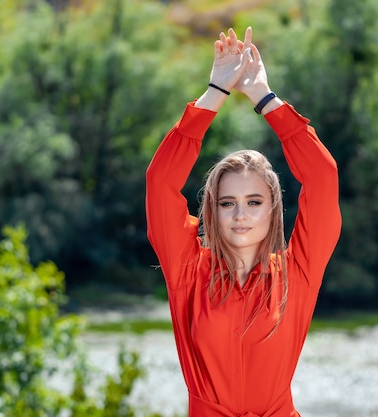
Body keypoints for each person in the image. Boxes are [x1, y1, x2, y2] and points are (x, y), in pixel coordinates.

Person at [145, 26, 341, 417]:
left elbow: (322, 177)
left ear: (273, 209)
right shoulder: (187, 271)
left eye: (253, 202)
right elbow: (160, 182)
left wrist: (264, 97)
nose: (240, 215)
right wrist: (215, 92)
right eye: (227, 203)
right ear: (211, 211)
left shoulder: (297, 273)